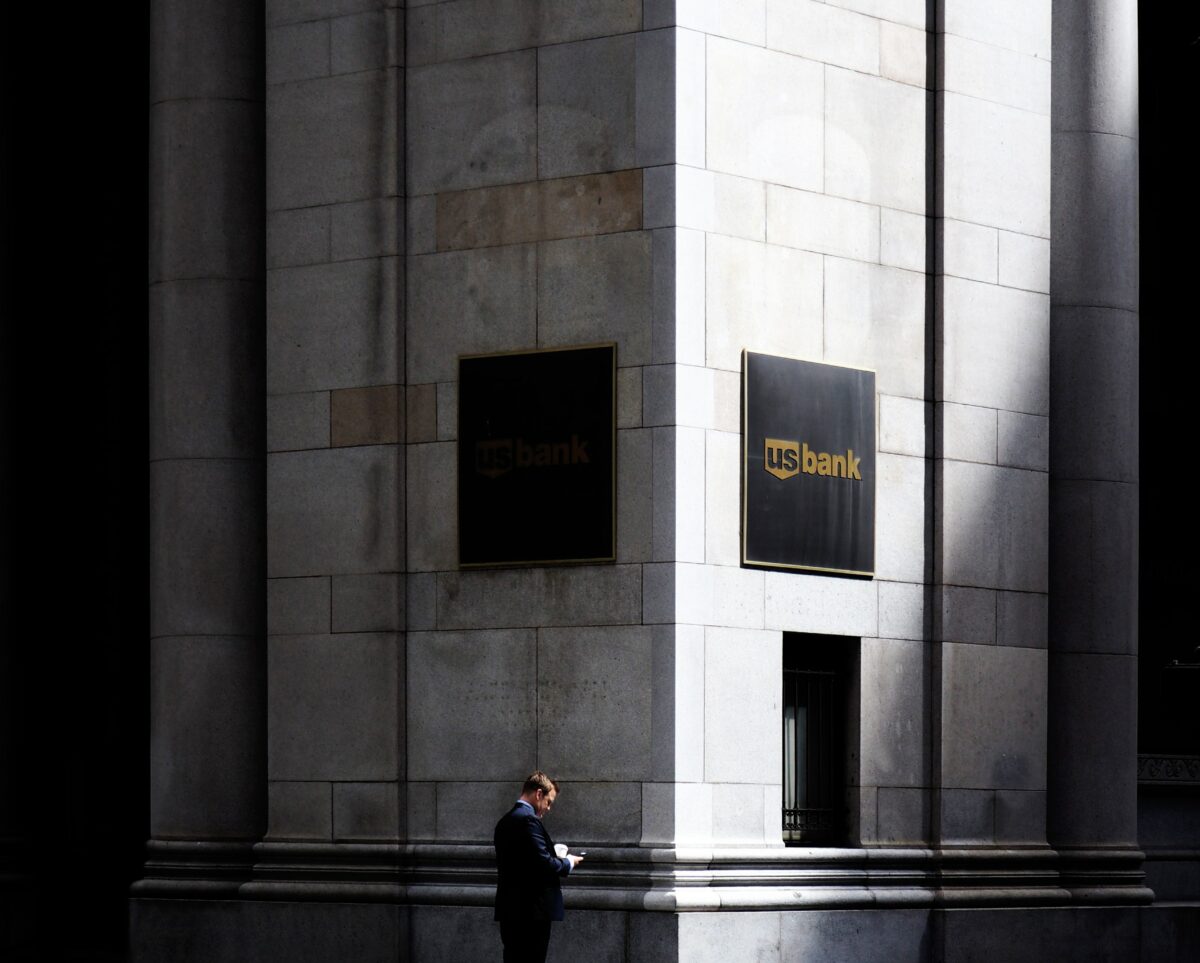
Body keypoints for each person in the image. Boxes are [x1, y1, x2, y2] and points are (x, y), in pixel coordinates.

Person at [493, 771, 583, 963]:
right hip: (531, 913)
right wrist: (568, 862)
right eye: (548, 802)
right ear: (538, 794)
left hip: (511, 911)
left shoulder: (504, 821)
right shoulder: (528, 820)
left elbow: (526, 862)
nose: (548, 808)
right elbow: (543, 864)